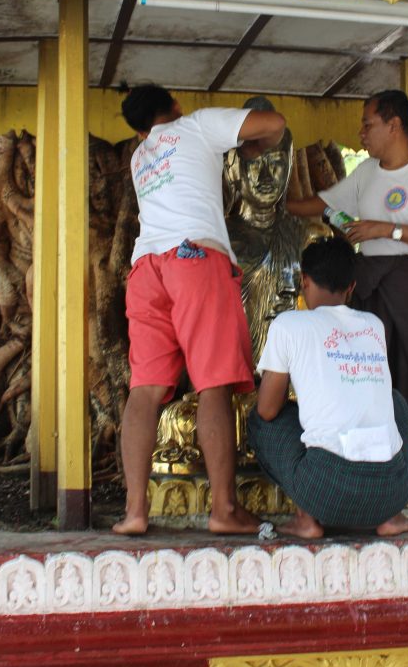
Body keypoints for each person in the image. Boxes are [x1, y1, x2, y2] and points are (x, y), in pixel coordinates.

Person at [113, 82, 286, 536]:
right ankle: (224, 509)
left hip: (146, 269)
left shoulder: (140, 157)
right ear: (175, 104)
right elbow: (274, 124)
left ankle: (134, 511)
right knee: (214, 387)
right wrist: (249, 148)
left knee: (144, 391)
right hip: (194, 259)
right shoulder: (197, 125)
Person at [286, 89, 408, 445]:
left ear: (394, 126)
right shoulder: (366, 172)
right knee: (366, 363)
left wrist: (386, 229)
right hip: (368, 277)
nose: (361, 134)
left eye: (367, 125)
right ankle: (369, 445)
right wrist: (280, 206)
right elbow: (324, 202)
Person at [248, 236, 408, 538]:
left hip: (326, 491)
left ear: (304, 281)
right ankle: (391, 517)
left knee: (260, 422)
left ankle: (306, 518)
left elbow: (268, 409)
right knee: (396, 404)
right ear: (351, 288)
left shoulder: (288, 325)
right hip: (392, 490)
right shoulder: (373, 324)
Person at [225, 96, 316, 364]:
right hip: (234, 375)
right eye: (254, 165)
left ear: (288, 166)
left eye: (275, 162)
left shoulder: (310, 237)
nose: (266, 177)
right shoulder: (218, 241)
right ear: (233, 170)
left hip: (293, 374)